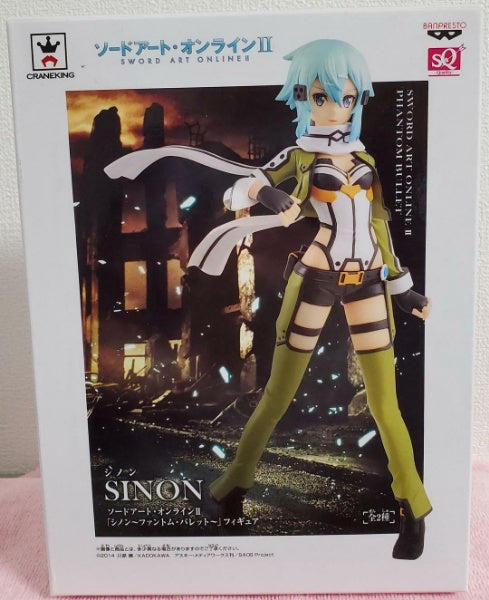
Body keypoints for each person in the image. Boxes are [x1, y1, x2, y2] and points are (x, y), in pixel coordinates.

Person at [207, 39, 432, 560]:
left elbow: (379, 227)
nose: (335, 108)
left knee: (385, 404)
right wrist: (270, 195)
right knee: (278, 394)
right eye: (322, 96)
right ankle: (234, 484)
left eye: (346, 98)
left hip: (370, 278)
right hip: (317, 276)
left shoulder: (364, 157)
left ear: (359, 99)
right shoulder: (301, 154)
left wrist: (402, 287)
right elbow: (237, 189)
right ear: (303, 97)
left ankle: (413, 510)